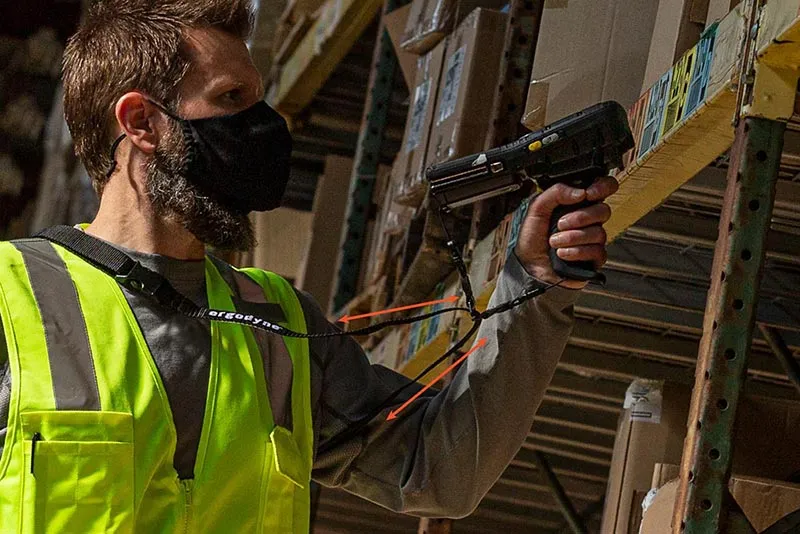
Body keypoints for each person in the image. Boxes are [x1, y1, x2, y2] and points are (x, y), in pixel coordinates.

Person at [0, 0, 618, 532]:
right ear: (141, 122)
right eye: (231, 98)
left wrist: (534, 285)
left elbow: (441, 468)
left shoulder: (278, 328)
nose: (265, 127)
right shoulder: (12, 297)